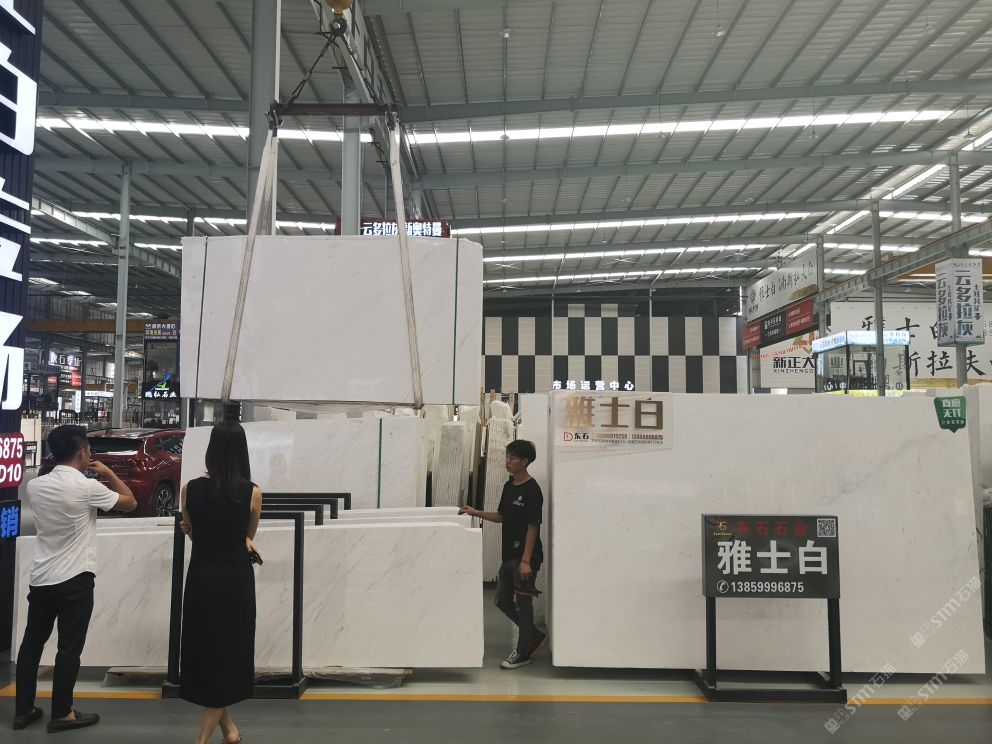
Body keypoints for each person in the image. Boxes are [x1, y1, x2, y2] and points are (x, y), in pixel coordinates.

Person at [13, 425, 137, 732]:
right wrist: (108, 472)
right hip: (75, 579)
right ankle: (62, 713)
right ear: (82, 452)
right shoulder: (87, 488)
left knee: (31, 646)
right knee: (69, 648)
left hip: (42, 578)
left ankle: (23, 710)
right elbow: (130, 502)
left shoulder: (36, 486)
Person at [179, 421, 262, 744]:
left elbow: (194, 534)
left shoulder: (190, 489)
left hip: (201, 578)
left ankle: (229, 731)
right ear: (242, 452)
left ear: (211, 450)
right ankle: (202, 739)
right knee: (228, 653)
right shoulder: (253, 492)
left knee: (207, 651)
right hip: (235, 581)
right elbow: (246, 538)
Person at [460, 439, 546, 669]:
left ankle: (523, 652)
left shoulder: (532, 490)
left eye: (512, 458)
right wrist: (475, 512)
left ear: (524, 461)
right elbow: (502, 516)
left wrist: (526, 561)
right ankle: (533, 635)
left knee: (523, 605)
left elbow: (533, 526)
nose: (507, 461)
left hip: (525, 558)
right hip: (508, 556)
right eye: (507, 456)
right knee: (502, 600)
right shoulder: (510, 486)